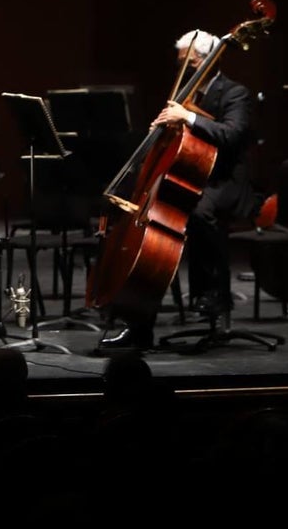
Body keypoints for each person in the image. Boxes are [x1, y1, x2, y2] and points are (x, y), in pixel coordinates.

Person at [97, 28, 255, 353]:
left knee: (199, 211)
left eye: (193, 62)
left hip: (224, 180)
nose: (189, 68)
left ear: (210, 61)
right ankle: (138, 324)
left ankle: (213, 295)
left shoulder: (235, 93)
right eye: (184, 62)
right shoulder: (187, 93)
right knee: (152, 223)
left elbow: (232, 135)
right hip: (190, 176)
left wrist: (189, 118)